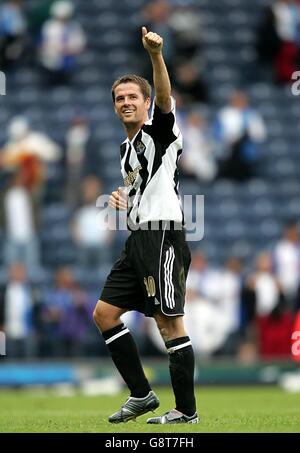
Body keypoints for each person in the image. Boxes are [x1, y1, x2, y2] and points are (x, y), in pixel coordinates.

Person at [93, 27, 198, 425]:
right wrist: (124, 200)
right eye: (119, 98)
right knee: (104, 314)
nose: (125, 103)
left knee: (169, 323)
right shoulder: (126, 150)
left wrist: (156, 56)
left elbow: (167, 99)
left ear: (146, 103)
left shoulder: (161, 130)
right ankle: (141, 395)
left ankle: (186, 412)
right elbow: (142, 187)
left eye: (132, 97)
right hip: (137, 238)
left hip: (162, 235)